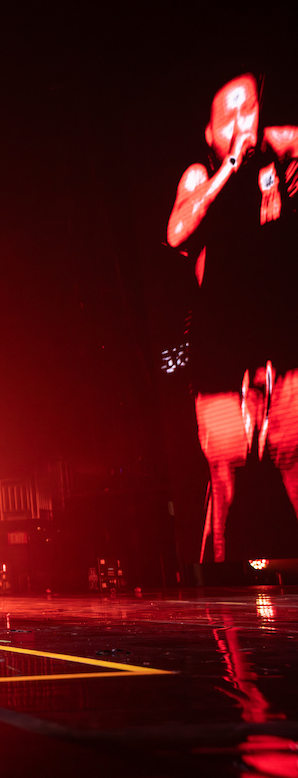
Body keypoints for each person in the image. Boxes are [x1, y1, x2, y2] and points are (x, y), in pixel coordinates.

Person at [165, 73, 298, 562]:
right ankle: (217, 577)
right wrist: (229, 169)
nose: (242, 123)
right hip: (221, 354)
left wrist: (280, 140)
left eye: (250, 108)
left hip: (283, 347)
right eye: (229, 116)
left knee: (296, 462)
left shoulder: (278, 158)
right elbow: (177, 232)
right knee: (224, 482)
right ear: (209, 132)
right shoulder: (200, 174)